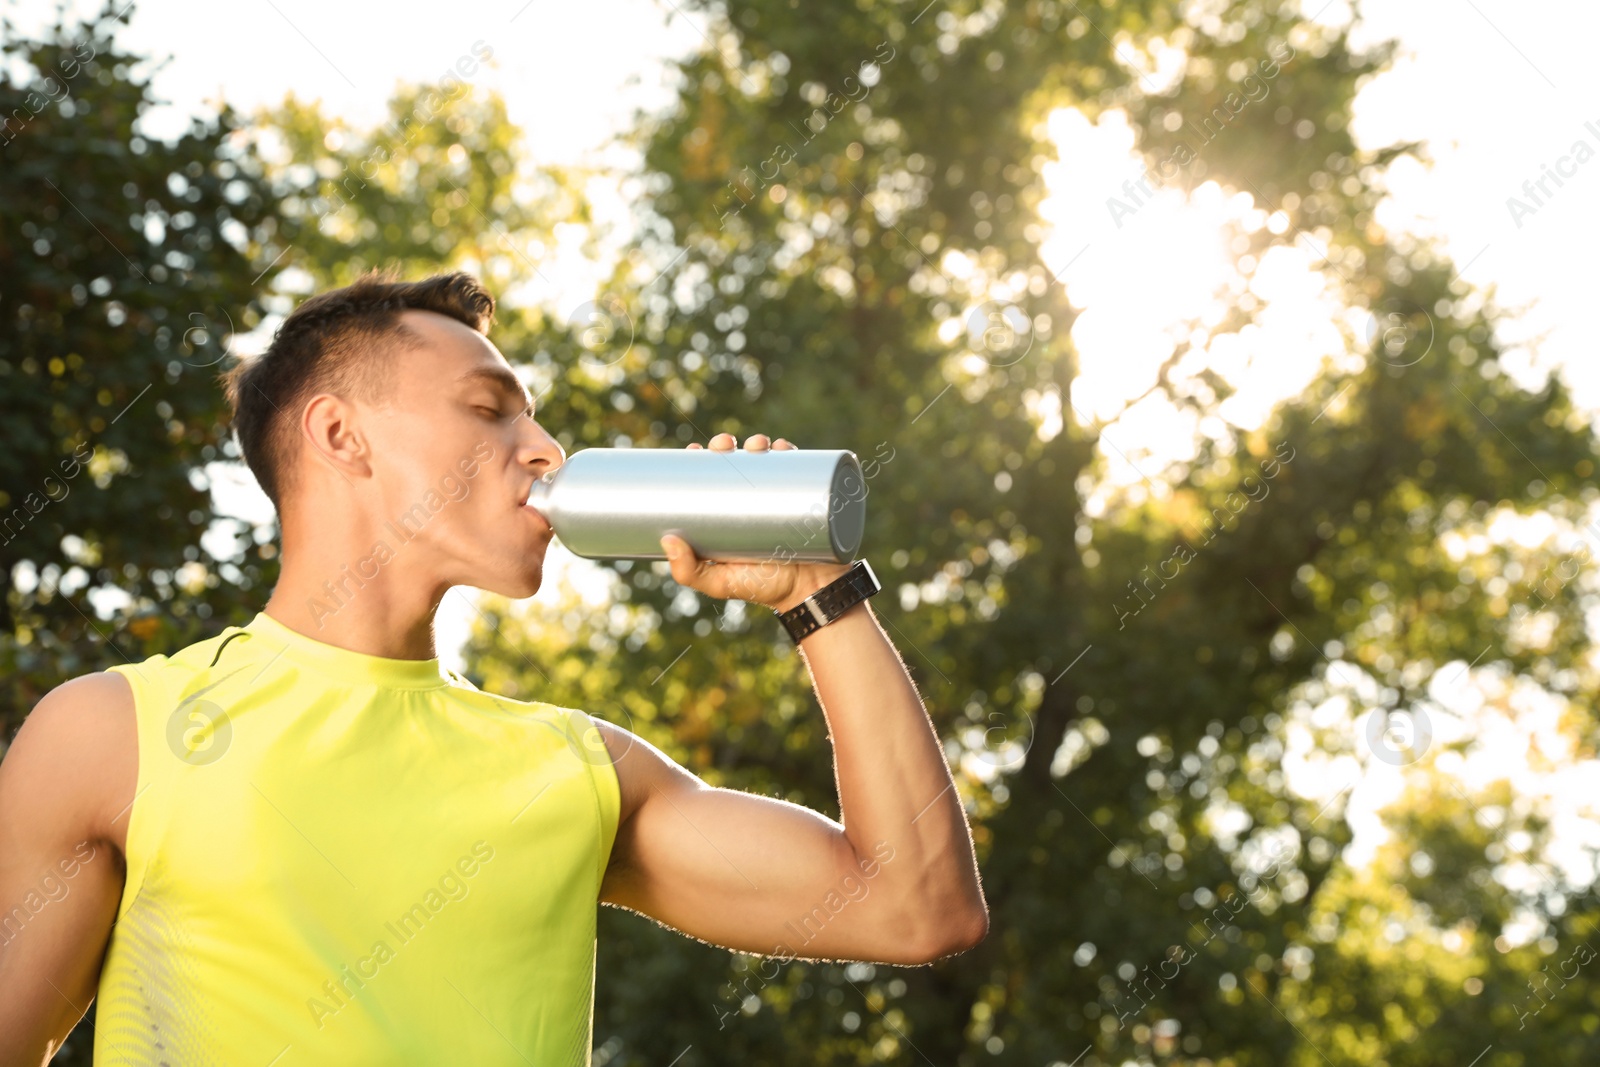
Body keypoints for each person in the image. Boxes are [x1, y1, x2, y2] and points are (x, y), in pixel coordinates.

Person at [0, 270, 988, 1064]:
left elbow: (915, 903)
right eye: (490, 410)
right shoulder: (115, 734)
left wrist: (817, 592)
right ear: (342, 435)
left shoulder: (577, 767)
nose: (545, 448)